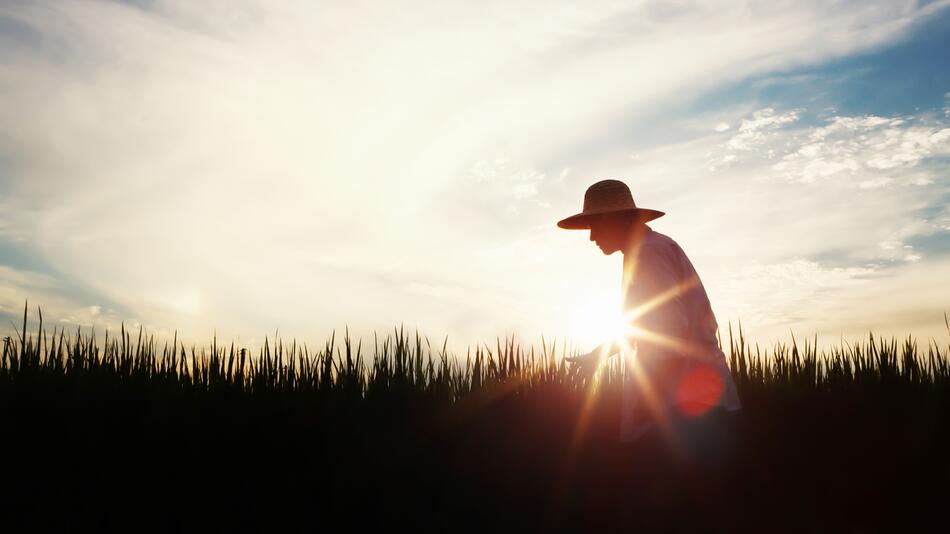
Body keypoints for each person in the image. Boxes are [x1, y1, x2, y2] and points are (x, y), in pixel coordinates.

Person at [557, 179, 743, 526]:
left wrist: (653, 408)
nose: (591, 237)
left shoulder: (649, 254)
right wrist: (599, 354)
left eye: (594, 225)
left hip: (685, 413)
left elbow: (670, 331)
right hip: (690, 409)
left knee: (662, 513)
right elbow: (644, 324)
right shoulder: (646, 252)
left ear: (617, 219)